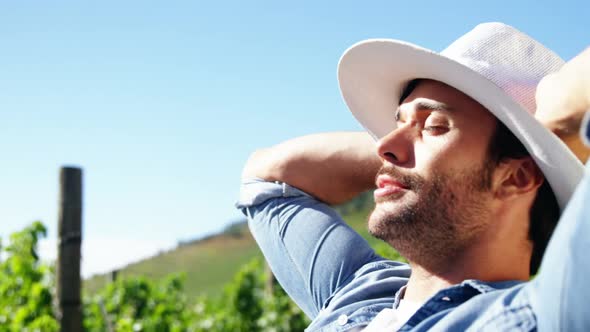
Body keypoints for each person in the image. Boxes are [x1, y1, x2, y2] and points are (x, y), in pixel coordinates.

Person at [237, 23, 587, 331]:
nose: (383, 146)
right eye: (397, 123)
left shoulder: (537, 317)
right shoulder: (360, 294)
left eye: (435, 126)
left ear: (518, 177)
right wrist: (417, 161)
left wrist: (553, 127)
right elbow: (268, 178)